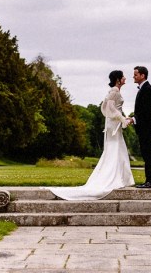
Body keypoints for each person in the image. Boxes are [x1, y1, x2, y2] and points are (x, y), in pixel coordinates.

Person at [48, 70, 135, 200]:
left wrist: (122, 117)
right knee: (115, 149)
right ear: (118, 79)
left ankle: (121, 177)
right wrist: (122, 119)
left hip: (113, 123)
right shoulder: (114, 91)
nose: (125, 78)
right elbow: (109, 108)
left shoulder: (115, 91)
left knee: (117, 148)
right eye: (123, 77)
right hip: (113, 124)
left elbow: (110, 108)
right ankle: (115, 178)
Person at [129, 66, 151, 189]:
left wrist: (134, 119)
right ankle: (150, 180)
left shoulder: (147, 89)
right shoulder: (144, 89)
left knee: (149, 154)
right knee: (146, 154)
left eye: (136, 75)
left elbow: (146, 111)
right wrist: (133, 117)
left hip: (146, 127)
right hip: (144, 127)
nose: (133, 77)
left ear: (142, 75)